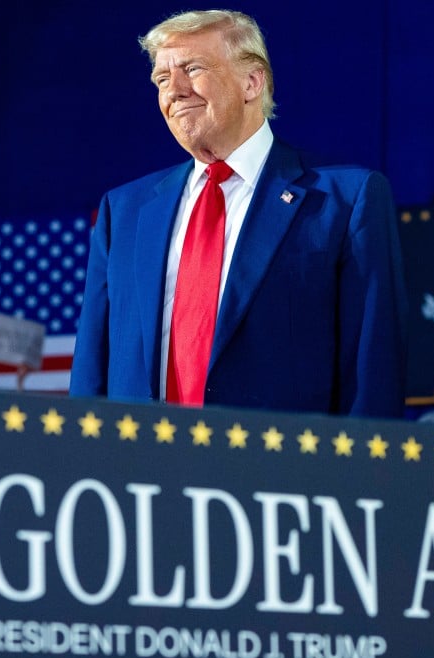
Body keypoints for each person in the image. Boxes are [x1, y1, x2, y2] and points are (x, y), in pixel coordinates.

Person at [69, 9, 407, 417]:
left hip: (277, 473)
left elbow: (372, 372)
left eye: (192, 69)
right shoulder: (124, 211)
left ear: (252, 82)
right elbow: (91, 375)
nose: (173, 90)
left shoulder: (346, 199)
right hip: (141, 474)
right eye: (161, 78)